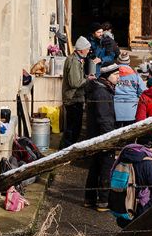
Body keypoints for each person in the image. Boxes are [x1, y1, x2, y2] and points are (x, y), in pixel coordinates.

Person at [83, 63, 120, 209]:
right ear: (107, 75)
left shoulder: (100, 89)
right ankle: (103, 200)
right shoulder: (102, 93)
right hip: (102, 136)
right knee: (105, 167)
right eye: (116, 74)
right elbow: (104, 118)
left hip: (95, 135)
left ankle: (89, 198)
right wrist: (109, 140)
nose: (118, 77)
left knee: (95, 167)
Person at [62, 36, 93, 146]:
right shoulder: (74, 61)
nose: (89, 51)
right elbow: (74, 83)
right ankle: (67, 150)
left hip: (74, 98)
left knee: (73, 126)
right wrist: (87, 79)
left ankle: (67, 149)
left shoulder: (77, 59)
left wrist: (85, 77)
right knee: (73, 128)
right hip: (73, 99)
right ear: (81, 50)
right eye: (87, 49)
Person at [113, 62, 144, 128]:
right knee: (129, 131)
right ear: (129, 63)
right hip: (131, 108)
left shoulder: (113, 75)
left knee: (115, 132)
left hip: (115, 108)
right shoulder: (135, 75)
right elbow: (142, 90)